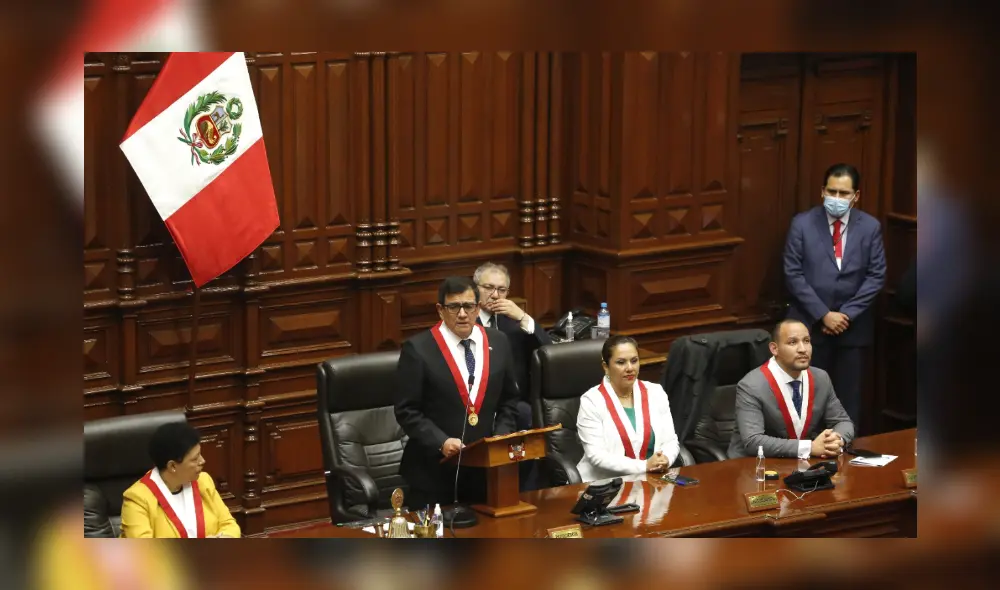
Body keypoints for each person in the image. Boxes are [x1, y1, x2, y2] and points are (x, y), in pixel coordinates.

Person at [394, 276, 521, 509]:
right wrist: (441, 441)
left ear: (478, 307)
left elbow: (509, 401)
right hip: (434, 471)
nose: (462, 314)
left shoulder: (499, 341)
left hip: (484, 471)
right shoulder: (418, 349)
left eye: (469, 306)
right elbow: (407, 410)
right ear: (440, 310)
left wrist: (501, 438)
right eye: (454, 307)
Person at [783, 163, 886, 432]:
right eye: (832, 192)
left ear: (856, 195)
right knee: (806, 401)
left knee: (848, 401)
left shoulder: (870, 227)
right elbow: (793, 274)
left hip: (853, 330)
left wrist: (846, 314)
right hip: (809, 328)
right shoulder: (802, 224)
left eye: (844, 193)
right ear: (822, 191)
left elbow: (876, 276)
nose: (837, 199)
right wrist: (824, 314)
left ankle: (846, 456)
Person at [728, 319, 854, 459]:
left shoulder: (820, 378)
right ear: (774, 349)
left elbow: (842, 422)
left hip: (800, 464)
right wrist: (810, 447)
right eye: (792, 342)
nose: (803, 349)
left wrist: (836, 441)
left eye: (806, 341)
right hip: (754, 468)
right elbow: (753, 441)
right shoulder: (751, 385)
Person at [576, 335, 680, 483]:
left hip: (653, 481)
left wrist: (665, 459)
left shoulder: (655, 392)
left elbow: (671, 440)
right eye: (621, 362)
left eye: (634, 361)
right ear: (606, 367)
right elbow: (596, 456)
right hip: (607, 485)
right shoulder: (592, 401)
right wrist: (644, 466)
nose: (630, 368)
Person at [120, 422, 240, 538]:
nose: (202, 461)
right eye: (195, 459)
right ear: (172, 466)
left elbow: (229, 524)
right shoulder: (137, 499)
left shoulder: (203, 481)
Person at [473, 262, 552, 431]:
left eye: (501, 290)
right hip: (477, 405)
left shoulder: (513, 322)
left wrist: (523, 318)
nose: (495, 295)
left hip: (514, 404)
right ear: (475, 289)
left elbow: (548, 353)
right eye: (488, 288)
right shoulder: (464, 321)